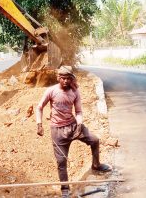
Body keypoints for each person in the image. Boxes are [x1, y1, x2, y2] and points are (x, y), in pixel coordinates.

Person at [36, 65, 111, 198]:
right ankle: (65, 189)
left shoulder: (75, 92)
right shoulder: (51, 91)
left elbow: (78, 111)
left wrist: (79, 123)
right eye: (63, 78)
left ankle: (96, 164)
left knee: (95, 140)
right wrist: (39, 124)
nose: (65, 81)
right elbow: (39, 107)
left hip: (73, 125)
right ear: (58, 78)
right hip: (57, 130)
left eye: (68, 78)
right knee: (61, 162)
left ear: (71, 79)